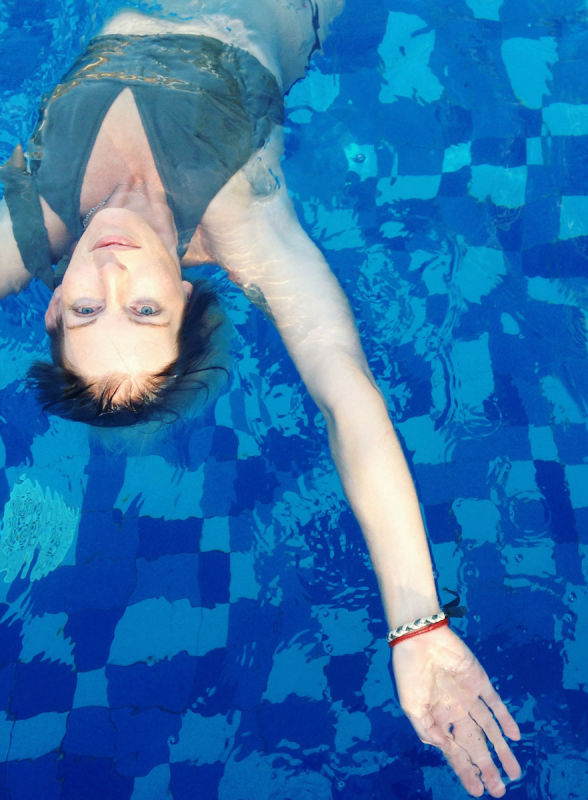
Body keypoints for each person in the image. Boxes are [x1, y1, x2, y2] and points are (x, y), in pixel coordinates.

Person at [0, 1, 522, 795]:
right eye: (144, 310)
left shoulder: (31, 215)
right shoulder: (243, 217)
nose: (109, 277)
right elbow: (348, 397)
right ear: (184, 291)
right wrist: (419, 623)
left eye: (84, 310)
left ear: (52, 302)